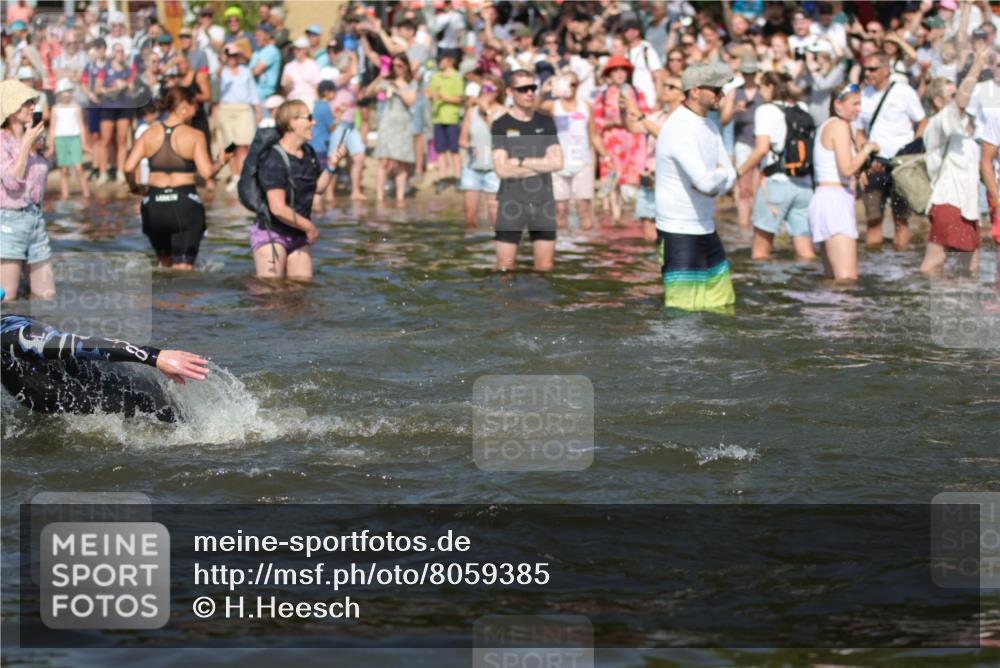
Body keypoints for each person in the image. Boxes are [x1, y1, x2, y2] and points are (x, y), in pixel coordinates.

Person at [1, 312, 209, 423]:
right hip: (77, 411)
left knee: (187, 428)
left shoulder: (16, 334)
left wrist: (155, 357)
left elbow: (82, 344)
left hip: (124, 392)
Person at [654, 62, 737, 312]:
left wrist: (717, 178)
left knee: (723, 306)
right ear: (694, 91)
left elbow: (729, 177)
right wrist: (719, 177)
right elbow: (705, 182)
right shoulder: (679, 127)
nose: (721, 94)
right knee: (682, 315)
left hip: (706, 227)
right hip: (678, 230)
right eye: (716, 89)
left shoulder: (709, 126)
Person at [124, 87, 235, 270]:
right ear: (183, 105)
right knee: (183, 270)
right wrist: (222, 161)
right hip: (184, 203)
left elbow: (128, 167)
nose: (196, 111)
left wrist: (135, 188)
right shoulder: (194, 135)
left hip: (154, 205)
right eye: (194, 106)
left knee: (164, 267)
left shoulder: (149, 133)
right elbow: (207, 173)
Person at [253, 100, 347, 281]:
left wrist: (332, 165)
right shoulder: (273, 158)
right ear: (291, 122)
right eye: (309, 118)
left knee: (301, 289)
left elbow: (318, 188)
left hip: (298, 234)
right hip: (272, 233)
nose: (314, 122)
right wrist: (310, 227)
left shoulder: (308, 152)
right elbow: (278, 208)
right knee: (271, 291)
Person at [736, 71, 815, 261]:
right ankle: (809, 278)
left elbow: (762, 149)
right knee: (805, 252)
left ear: (771, 87)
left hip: (776, 184)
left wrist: (738, 172)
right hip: (804, 185)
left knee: (760, 253)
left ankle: (764, 281)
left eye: (761, 87)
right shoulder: (802, 107)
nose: (760, 91)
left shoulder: (765, 110)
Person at [921, 53, 988, 275]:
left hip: (969, 206)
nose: (959, 98)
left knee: (970, 268)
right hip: (948, 201)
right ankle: (927, 296)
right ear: (938, 101)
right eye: (952, 95)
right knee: (934, 263)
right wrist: (977, 65)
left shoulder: (964, 127)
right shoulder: (938, 122)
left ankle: (955, 298)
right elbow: (961, 102)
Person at [491, 70, 564, 272]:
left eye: (532, 88)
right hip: (511, 201)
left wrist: (521, 161)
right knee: (504, 267)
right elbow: (502, 170)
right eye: (523, 89)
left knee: (545, 267)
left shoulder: (545, 122)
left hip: (543, 201)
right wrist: (541, 165)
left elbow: (558, 163)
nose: (529, 93)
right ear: (510, 92)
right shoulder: (501, 124)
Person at [855, 51, 927, 250]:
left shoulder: (903, 91)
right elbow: (859, 132)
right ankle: (874, 264)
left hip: (900, 166)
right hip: (875, 164)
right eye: (865, 69)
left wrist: (912, 152)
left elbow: (922, 121)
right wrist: (864, 157)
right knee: (873, 220)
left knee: (901, 220)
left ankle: (900, 262)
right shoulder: (863, 95)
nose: (867, 73)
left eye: (872, 69)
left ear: (886, 70)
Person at [809, 83, 879, 280]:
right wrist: (868, 148)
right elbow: (846, 169)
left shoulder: (829, 125)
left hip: (826, 200)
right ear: (838, 105)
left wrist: (862, 169)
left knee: (832, 279)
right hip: (834, 203)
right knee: (847, 280)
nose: (859, 109)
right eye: (854, 104)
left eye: (860, 104)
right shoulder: (839, 126)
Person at [0, 79, 52, 302]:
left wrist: (33, 144)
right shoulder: (2, 141)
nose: (33, 107)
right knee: (7, 297)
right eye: (27, 103)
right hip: (9, 222)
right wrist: (25, 146)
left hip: (36, 220)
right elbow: (12, 181)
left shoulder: (31, 138)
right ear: (11, 110)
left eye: (33, 102)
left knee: (47, 296)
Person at [625, 73, 685, 242]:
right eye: (664, 85)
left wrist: (640, 115)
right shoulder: (658, 116)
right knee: (649, 235)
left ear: (683, 95)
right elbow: (633, 128)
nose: (665, 89)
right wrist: (624, 110)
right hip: (650, 179)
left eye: (671, 87)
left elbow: (666, 136)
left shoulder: (684, 119)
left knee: (670, 233)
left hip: (671, 181)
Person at [593, 55, 649, 221]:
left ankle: (634, 220)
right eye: (615, 70)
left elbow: (646, 116)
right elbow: (596, 122)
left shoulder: (637, 93)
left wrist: (632, 121)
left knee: (633, 181)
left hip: (635, 144)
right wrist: (614, 122)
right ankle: (615, 218)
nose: (619, 73)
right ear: (609, 74)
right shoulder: (603, 96)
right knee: (613, 181)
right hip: (612, 144)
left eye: (623, 70)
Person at [543, 72, 596, 232]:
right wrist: (543, 91)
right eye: (566, 83)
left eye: (573, 84)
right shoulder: (553, 105)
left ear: (577, 86)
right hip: (558, 162)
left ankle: (585, 243)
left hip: (583, 162)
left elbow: (593, 135)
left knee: (583, 208)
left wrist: (607, 157)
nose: (569, 87)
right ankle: (562, 244)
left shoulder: (586, 106)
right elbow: (533, 108)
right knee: (560, 209)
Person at [367, 53, 418, 204]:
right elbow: (368, 92)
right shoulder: (387, 82)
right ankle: (380, 198)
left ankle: (400, 198)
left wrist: (398, 89)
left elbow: (410, 101)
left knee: (402, 163)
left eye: (399, 66)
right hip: (387, 124)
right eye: (394, 66)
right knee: (384, 161)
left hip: (403, 125)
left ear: (406, 66)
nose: (396, 69)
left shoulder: (411, 84)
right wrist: (380, 77)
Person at [721, 54, 763, 232]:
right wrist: (734, 110)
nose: (749, 77)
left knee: (759, 187)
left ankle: (757, 225)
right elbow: (723, 120)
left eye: (752, 73)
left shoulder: (763, 91)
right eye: (746, 73)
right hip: (743, 142)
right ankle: (744, 226)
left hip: (761, 143)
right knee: (743, 187)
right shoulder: (734, 92)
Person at [459, 74, 504, 229]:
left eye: (489, 88)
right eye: (483, 88)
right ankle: (474, 242)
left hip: (494, 169)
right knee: (470, 219)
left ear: (497, 91)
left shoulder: (504, 112)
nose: (485, 91)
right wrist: (468, 147)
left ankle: (496, 243)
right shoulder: (471, 112)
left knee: (495, 219)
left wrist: (487, 112)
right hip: (472, 168)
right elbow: (462, 139)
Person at [218, 43, 261, 192]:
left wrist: (258, 110)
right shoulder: (222, 71)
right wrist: (223, 57)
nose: (232, 58)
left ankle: (242, 176)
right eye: (229, 55)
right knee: (230, 145)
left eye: (234, 55)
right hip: (226, 109)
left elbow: (252, 91)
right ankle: (235, 175)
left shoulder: (246, 71)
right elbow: (215, 75)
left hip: (243, 109)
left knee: (243, 144)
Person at [94, 42, 137, 185]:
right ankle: (103, 172)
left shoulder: (128, 70)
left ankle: (120, 171)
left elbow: (132, 89)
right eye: (118, 51)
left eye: (122, 51)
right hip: (108, 106)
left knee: (122, 140)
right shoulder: (105, 69)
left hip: (123, 106)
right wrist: (111, 89)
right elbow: (97, 88)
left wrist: (126, 85)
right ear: (113, 53)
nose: (120, 54)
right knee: (105, 140)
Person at [427, 51, 464, 192]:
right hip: (438, 118)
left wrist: (443, 97)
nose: (439, 62)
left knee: (454, 150)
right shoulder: (436, 76)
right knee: (440, 150)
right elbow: (429, 93)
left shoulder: (457, 77)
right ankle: (442, 178)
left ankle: (458, 178)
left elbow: (459, 98)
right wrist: (430, 95)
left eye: (441, 60)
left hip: (452, 118)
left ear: (450, 61)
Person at [47, 79, 91, 200]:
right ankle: (65, 194)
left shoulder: (76, 107)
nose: (67, 94)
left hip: (74, 139)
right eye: (65, 91)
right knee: (64, 169)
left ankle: (86, 193)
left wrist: (84, 143)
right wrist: (51, 146)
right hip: (60, 139)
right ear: (59, 93)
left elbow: (81, 126)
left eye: (69, 91)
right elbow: (52, 128)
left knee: (79, 167)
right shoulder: (55, 109)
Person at [282, 36, 321, 110]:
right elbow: (285, 90)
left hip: (309, 101)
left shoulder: (313, 65)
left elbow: (317, 86)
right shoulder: (288, 66)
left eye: (299, 49)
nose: (296, 51)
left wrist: (317, 103)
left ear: (305, 50)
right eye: (295, 49)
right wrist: (288, 84)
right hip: (293, 101)